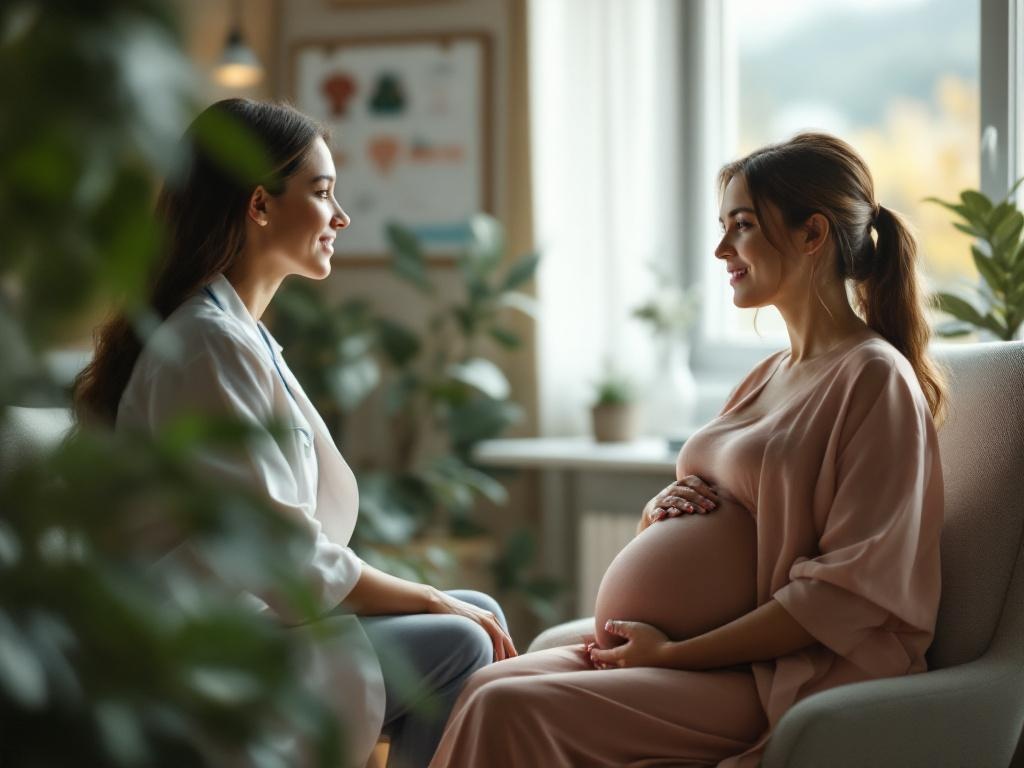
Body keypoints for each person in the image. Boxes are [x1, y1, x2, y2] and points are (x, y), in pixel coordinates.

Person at [428, 133, 945, 767]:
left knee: (509, 707)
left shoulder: (873, 378)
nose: (722, 249)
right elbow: (737, 523)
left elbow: (848, 593)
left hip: (785, 671)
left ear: (813, 235)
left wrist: (674, 655)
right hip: (701, 655)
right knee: (483, 686)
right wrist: (661, 514)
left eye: (743, 226)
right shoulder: (768, 373)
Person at [72, 98, 516, 768]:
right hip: (202, 639)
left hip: (257, 611)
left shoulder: (236, 335)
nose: (340, 217)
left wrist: (436, 596)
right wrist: (426, 593)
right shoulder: (207, 344)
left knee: (474, 608)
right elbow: (276, 550)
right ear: (259, 206)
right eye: (323, 192)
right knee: (464, 638)